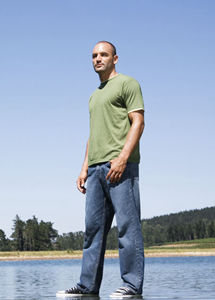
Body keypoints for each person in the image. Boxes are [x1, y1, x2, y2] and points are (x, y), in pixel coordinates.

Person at [57, 41, 145, 298]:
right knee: (93, 230)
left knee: (128, 228)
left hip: (120, 166)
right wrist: (84, 167)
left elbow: (138, 122)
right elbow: (93, 134)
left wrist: (122, 159)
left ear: (115, 58)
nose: (98, 59)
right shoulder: (94, 95)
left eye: (103, 54)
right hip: (95, 170)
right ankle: (87, 286)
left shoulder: (128, 84)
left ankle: (131, 285)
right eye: (94, 55)